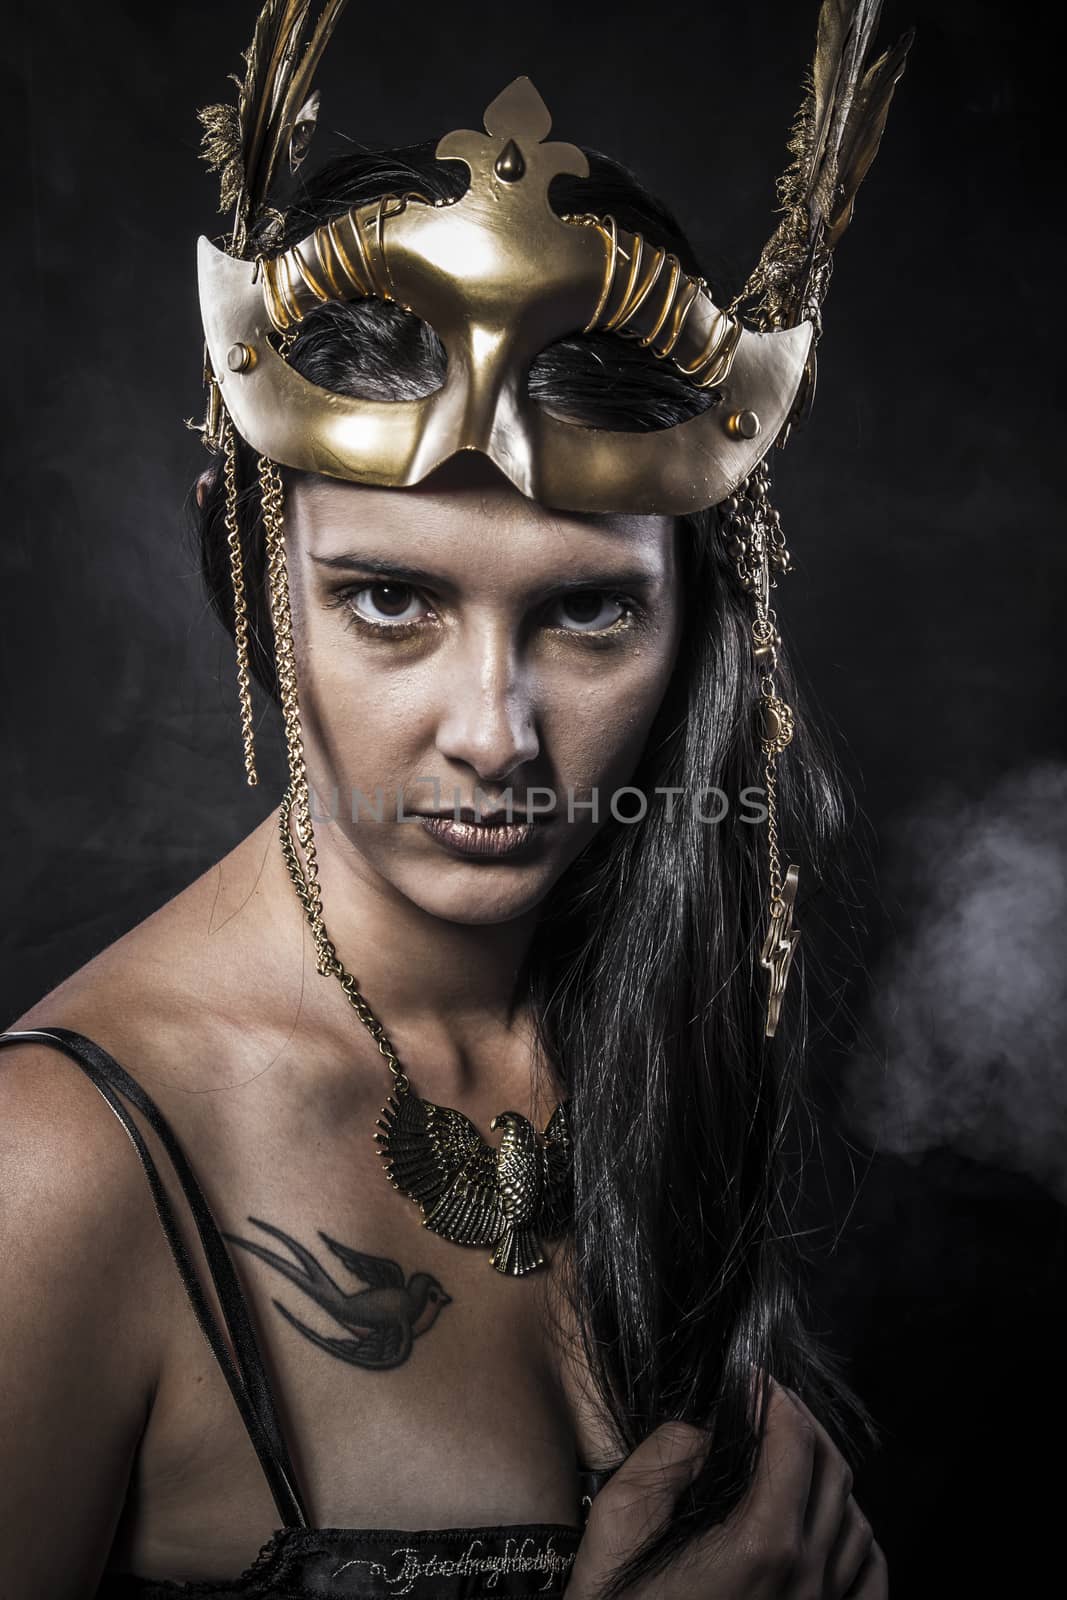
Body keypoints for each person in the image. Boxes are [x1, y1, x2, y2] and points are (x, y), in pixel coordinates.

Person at [0, 1, 910, 1595]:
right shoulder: (55, 1170)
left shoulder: (664, 1006)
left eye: (588, 611)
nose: (496, 735)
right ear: (252, 578)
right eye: (390, 600)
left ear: (704, 614)